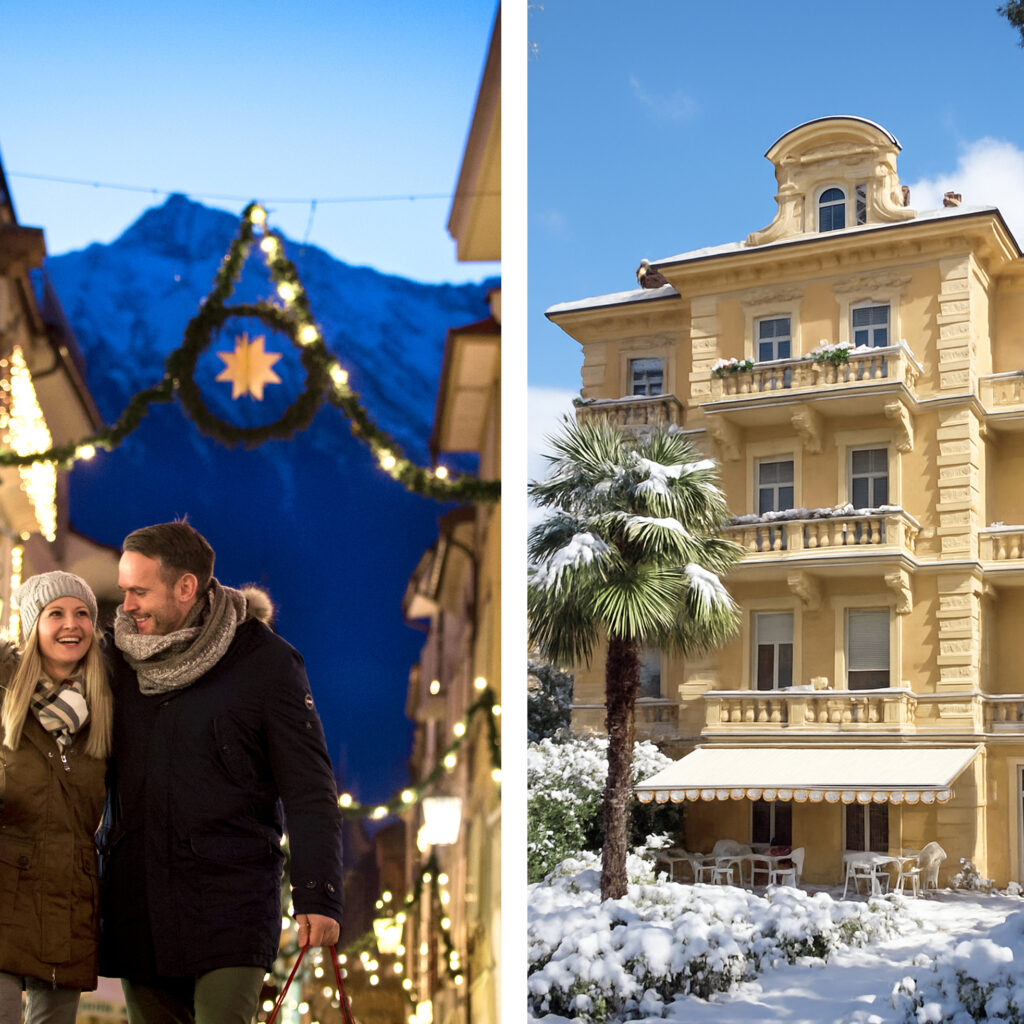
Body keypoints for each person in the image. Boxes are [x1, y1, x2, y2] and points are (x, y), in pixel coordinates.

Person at [98, 521, 343, 1024]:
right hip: (138, 903)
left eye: (140, 592)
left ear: (185, 587)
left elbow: (309, 787)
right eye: (124, 591)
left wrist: (318, 895)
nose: (127, 606)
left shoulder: (265, 663)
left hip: (228, 904)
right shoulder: (115, 661)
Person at [0, 571, 112, 1024]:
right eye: (57, 613)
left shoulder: (105, 706)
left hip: (67, 903)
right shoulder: (4, 696)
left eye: (83, 613)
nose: (73, 624)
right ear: (32, 625)